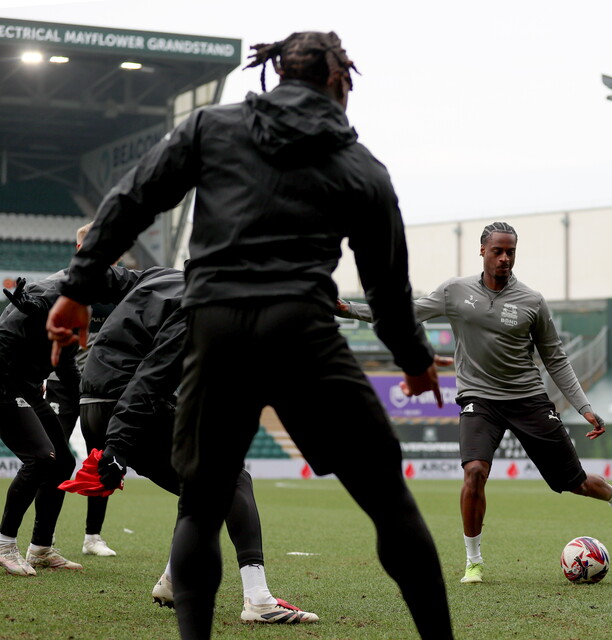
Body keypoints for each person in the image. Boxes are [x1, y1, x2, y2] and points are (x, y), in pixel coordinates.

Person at [47, 31, 453, 640]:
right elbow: (387, 283)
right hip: (303, 334)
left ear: (277, 73)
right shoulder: (360, 165)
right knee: (389, 501)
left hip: (216, 332)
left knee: (201, 504)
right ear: (339, 81)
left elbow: (131, 200)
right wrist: (415, 360)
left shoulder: (210, 128)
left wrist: (77, 289)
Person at [337, 221, 612, 585]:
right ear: (482, 250)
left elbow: (555, 359)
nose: (504, 258)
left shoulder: (532, 301)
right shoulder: (455, 291)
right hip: (478, 398)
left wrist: (584, 407)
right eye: (497, 251)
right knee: (474, 472)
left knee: (573, 482)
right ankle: (474, 561)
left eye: (510, 252)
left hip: (528, 398)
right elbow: (405, 312)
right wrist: (350, 309)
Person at [75, 267, 317, 623]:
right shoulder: (203, 304)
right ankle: (258, 600)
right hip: (126, 404)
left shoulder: (161, 276)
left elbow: (107, 278)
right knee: (232, 479)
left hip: (93, 403)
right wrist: (118, 445)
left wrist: (82, 267)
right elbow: (151, 377)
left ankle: (174, 579)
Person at [0, 267, 144, 576]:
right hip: (5, 384)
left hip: (28, 387)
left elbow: (65, 366)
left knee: (63, 461)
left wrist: (92, 397)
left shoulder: (80, 307)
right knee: (40, 458)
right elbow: (7, 334)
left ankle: (40, 549)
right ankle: (4, 545)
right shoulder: (51, 294)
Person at [44, 221, 120, 558]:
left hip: (99, 389)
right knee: (55, 459)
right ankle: (43, 538)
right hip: (62, 384)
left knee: (101, 458)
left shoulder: (122, 289)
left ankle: (93, 537)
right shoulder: (64, 285)